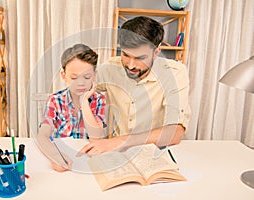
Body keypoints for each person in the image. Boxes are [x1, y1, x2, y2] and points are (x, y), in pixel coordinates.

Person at [78, 16, 191, 156]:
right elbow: (79, 85)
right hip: (118, 153)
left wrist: (118, 142)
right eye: (125, 54)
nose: (131, 65)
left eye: (140, 58)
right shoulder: (110, 68)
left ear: (156, 52)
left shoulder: (175, 73)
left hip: (158, 152)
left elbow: (175, 132)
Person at [37, 44, 106, 172]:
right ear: (64, 75)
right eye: (74, 77)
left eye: (87, 77)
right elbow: (42, 135)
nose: (81, 83)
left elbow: (95, 137)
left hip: (88, 161)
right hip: (64, 156)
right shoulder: (55, 100)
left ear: (94, 75)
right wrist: (55, 156)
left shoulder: (99, 100)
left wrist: (84, 101)